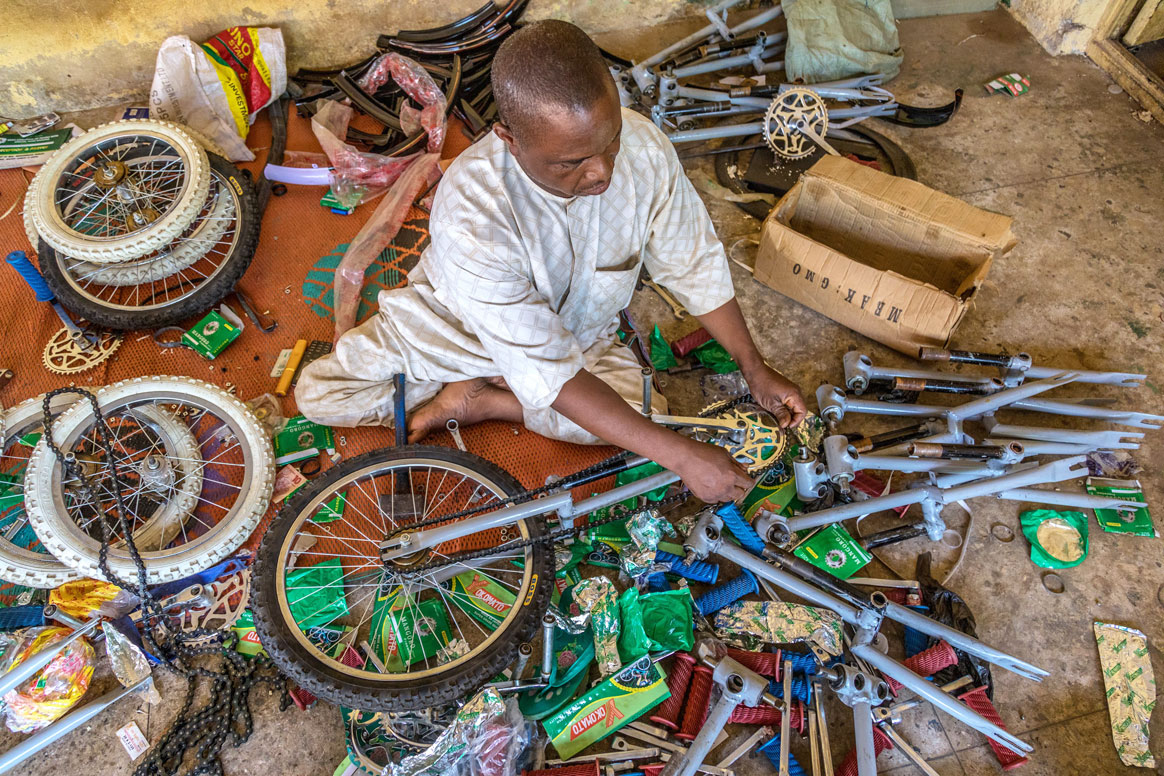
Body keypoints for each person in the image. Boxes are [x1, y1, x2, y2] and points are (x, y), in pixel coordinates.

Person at [296, 20, 807, 504]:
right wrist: (684, 459)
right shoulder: (473, 209)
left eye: (611, 142)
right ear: (510, 140)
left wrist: (755, 369)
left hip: (581, 336)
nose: (601, 172)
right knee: (320, 394)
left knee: (647, 416)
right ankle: (480, 380)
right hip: (457, 330)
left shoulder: (645, 149)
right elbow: (550, 370)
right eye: (571, 162)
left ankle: (488, 402)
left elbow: (692, 262)